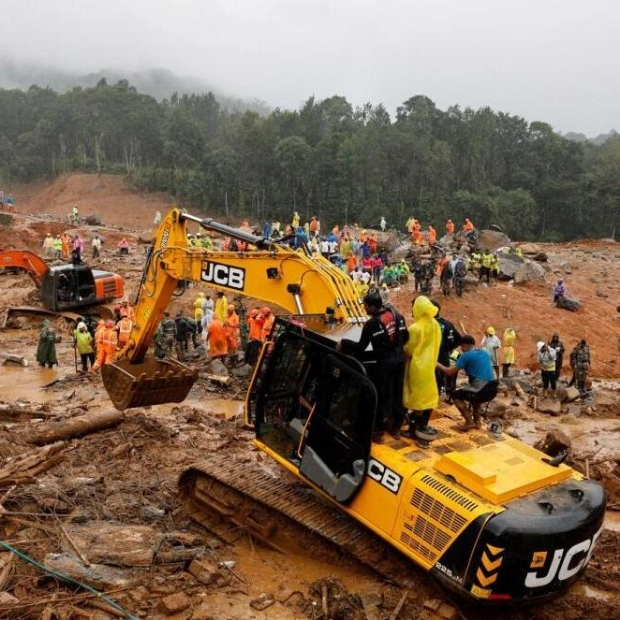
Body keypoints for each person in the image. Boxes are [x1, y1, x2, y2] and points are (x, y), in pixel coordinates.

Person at [337, 289, 408, 440]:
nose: (364, 309)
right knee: (397, 394)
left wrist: (344, 342)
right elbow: (405, 336)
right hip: (400, 362)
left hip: (385, 365)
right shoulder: (399, 317)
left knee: (382, 396)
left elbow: (361, 347)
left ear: (371, 307)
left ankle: (378, 431)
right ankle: (395, 428)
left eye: (365, 306)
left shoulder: (372, 323)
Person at [437, 334, 496, 431]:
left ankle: (469, 421)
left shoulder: (466, 355)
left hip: (481, 387)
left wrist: (437, 364)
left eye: (462, 347)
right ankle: (477, 422)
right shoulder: (483, 352)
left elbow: (449, 372)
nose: (461, 349)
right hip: (493, 387)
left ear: (465, 345)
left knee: (456, 396)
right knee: (475, 397)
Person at [403, 296, 442, 440]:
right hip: (430, 365)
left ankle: (412, 430)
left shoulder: (415, 328)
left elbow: (409, 350)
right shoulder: (435, 325)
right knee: (427, 397)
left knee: (416, 399)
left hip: (417, 367)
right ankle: (422, 426)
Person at [432, 300, 462, 399]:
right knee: (442, 380)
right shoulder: (448, 324)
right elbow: (459, 339)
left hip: (434, 357)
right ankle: (446, 395)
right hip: (445, 356)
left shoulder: (431, 324)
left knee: (435, 381)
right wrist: (449, 348)